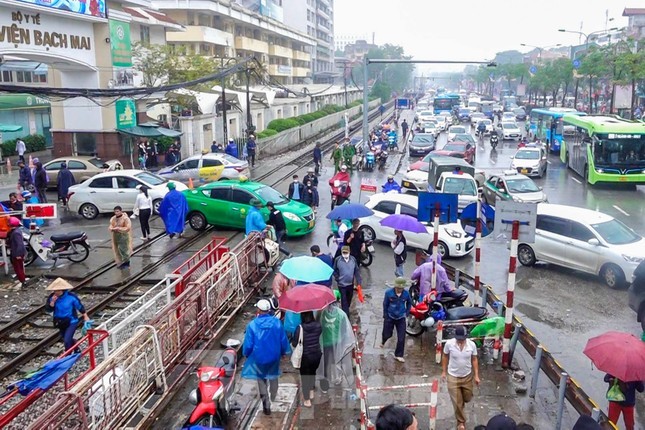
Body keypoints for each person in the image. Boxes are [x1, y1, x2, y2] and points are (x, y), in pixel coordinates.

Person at [242, 299, 291, 416]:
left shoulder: (252, 325)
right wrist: (284, 352)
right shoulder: (277, 323)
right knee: (274, 376)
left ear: (258, 310)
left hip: (259, 358)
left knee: (261, 380)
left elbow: (248, 345)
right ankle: (273, 394)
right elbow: (283, 340)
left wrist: (247, 354)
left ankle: (266, 406)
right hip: (274, 356)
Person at [442, 325, 480, 430]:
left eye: (462, 339)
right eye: (458, 339)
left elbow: (474, 359)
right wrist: (444, 372)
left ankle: (461, 404)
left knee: (467, 397)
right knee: (457, 401)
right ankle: (461, 422)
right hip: (453, 376)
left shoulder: (472, 345)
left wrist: (476, 375)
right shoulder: (449, 344)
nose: (460, 341)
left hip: (467, 376)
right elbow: (445, 356)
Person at [45, 278, 91, 351]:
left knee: (67, 340)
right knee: (66, 338)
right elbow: (48, 310)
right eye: (54, 290)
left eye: (57, 290)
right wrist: (52, 303)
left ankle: (67, 355)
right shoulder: (52, 297)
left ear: (62, 290)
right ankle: (76, 349)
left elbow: (79, 306)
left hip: (71, 321)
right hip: (60, 321)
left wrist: (85, 316)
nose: (55, 292)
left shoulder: (71, 297)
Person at [291, 311, 322, 407]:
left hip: (305, 356)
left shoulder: (300, 328)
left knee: (305, 377)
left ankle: (307, 400)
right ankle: (311, 390)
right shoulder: (318, 325)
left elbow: (294, 343)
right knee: (313, 372)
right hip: (317, 354)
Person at [381, 278, 412, 363]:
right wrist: (385, 315)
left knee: (401, 338)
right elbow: (385, 304)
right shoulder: (388, 293)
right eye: (398, 288)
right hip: (390, 316)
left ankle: (398, 354)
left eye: (401, 288)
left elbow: (409, 303)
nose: (399, 290)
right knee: (387, 333)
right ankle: (383, 341)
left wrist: (407, 313)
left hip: (401, 317)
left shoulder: (406, 294)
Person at [333, 245, 362, 317]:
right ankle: (346, 316)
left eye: (346, 252)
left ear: (349, 252)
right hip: (341, 285)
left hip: (350, 284)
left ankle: (346, 310)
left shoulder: (353, 260)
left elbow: (356, 271)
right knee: (344, 301)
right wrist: (337, 278)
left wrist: (359, 282)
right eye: (343, 252)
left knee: (349, 299)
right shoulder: (338, 260)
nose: (345, 254)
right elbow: (334, 270)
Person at [8, 217, 27, 290]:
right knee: (19, 268)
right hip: (16, 253)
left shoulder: (15, 233)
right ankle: (22, 280)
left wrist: (18, 254)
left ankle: (23, 281)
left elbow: (19, 244)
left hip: (17, 253)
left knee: (18, 268)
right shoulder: (16, 231)